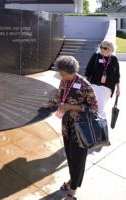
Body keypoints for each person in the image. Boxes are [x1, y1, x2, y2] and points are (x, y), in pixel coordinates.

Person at [44, 56, 98, 200]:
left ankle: (72, 191)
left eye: (62, 73)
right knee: (70, 157)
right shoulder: (64, 81)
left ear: (71, 71)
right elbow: (59, 95)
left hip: (81, 129)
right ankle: (71, 181)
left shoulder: (85, 85)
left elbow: (93, 108)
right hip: (67, 126)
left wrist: (71, 106)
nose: (60, 75)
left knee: (78, 160)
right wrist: (50, 104)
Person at [85, 41, 120, 119]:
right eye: (101, 47)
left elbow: (117, 75)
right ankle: (102, 124)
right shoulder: (95, 56)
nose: (102, 49)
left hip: (108, 87)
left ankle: (99, 124)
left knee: (101, 105)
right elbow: (88, 70)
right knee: (99, 107)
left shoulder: (114, 59)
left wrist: (118, 88)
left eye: (104, 48)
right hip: (95, 85)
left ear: (110, 49)